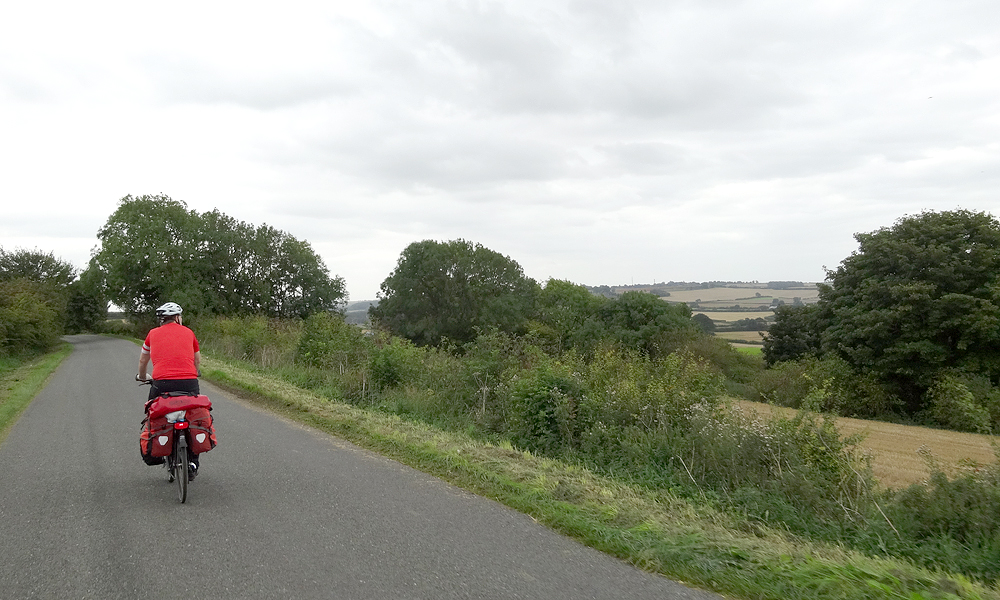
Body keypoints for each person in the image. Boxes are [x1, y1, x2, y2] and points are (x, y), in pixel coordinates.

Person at [137, 301, 203, 477]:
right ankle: (193, 462)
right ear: (177, 318)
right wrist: (195, 372)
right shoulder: (189, 332)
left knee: (153, 413)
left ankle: (157, 448)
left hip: (162, 383)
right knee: (193, 416)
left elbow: (143, 360)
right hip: (189, 383)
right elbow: (197, 359)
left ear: (162, 319)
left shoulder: (152, 334)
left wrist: (142, 376)